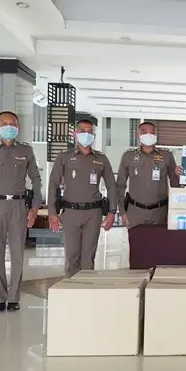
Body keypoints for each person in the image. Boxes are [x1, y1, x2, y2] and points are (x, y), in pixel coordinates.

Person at [0, 111, 42, 312]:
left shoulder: (26, 150)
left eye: (13, 123)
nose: (9, 126)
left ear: (18, 127)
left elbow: (36, 178)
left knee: (17, 254)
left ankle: (13, 297)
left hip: (19, 206)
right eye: (5, 123)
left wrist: (35, 206)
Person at [48, 119, 117, 277]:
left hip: (94, 213)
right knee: (72, 256)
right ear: (75, 134)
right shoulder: (64, 157)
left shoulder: (101, 158)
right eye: (83, 131)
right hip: (70, 212)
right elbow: (53, 184)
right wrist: (52, 212)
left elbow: (111, 185)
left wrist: (112, 212)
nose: (86, 134)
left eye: (90, 132)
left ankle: (86, 289)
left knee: (88, 257)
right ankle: (71, 288)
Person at [117, 122, 179, 229]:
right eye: (144, 132)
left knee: (159, 240)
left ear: (156, 135)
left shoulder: (167, 155)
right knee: (136, 240)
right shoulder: (129, 156)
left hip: (160, 212)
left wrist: (176, 211)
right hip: (135, 211)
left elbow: (175, 186)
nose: (148, 134)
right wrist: (122, 212)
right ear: (138, 135)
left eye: (152, 132)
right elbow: (120, 185)